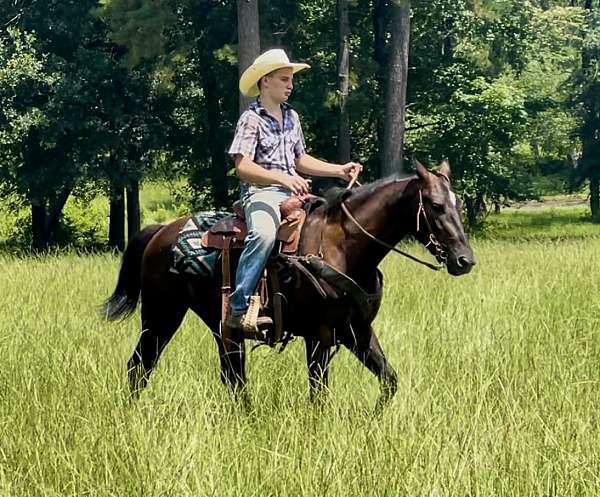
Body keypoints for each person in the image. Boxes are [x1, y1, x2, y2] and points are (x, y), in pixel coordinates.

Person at [227, 48, 362, 333]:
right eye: (284, 79)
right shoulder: (251, 118)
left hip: (295, 195)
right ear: (265, 81)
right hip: (261, 193)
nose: (291, 85)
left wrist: (338, 170)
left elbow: (301, 159)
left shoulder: (292, 117)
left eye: (291, 80)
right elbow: (242, 166)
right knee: (263, 235)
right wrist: (282, 179)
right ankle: (238, 308)